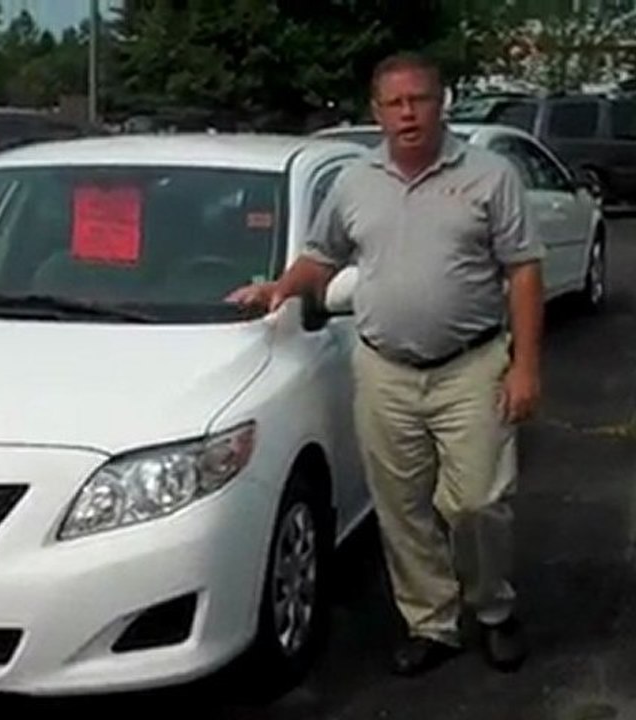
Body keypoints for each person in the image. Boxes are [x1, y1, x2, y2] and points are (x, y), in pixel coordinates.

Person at [228, 52, 544, 676]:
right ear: (376, 112)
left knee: (477, 502)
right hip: (384, 369)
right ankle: (431, 622)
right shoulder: (354, 183)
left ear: (441, 102)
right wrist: (280, 288)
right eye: (395, 103)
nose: (408, 113)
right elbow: (322, 256)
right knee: (401, 506)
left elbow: (524, 270)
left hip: (472, 364)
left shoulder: (489, 175)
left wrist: (526, 366)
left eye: (420, 99)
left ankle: (492, 607)